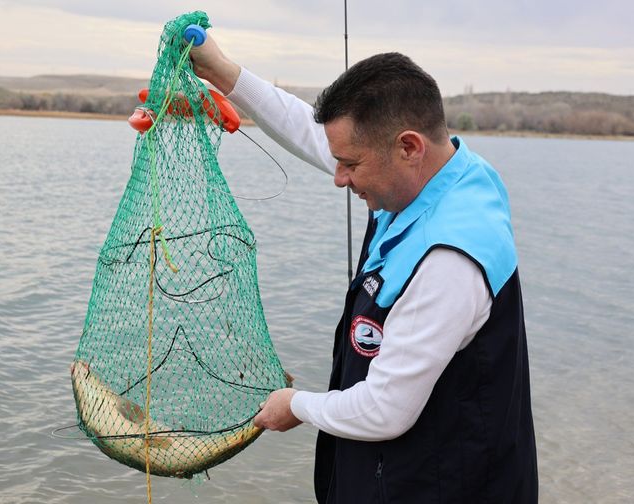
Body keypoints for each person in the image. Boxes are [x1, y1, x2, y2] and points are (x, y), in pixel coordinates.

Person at [192, 35, 538, 503]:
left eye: (350, 165)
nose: (339, 178)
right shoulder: (431, 175)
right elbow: (314, 134)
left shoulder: (450, 260)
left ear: (409, 147)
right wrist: (221, 71)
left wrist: (297, 405)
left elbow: (384, 409)